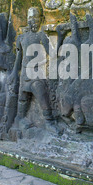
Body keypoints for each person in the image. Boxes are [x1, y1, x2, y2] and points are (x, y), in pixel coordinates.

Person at [9, 7, 62, 135]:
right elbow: (19, 59)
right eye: (30, 19)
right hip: (25, 74)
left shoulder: (41, 36)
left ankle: (49, 122)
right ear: (27, 20)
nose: (33, 22)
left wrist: (60, 37)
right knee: (22, 100)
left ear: (41, 20)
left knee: (42, 96)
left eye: (36, 18)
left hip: (37, 74)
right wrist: (14, 73)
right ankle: (20, 119)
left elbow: (53, 54)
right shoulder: (21, 38)